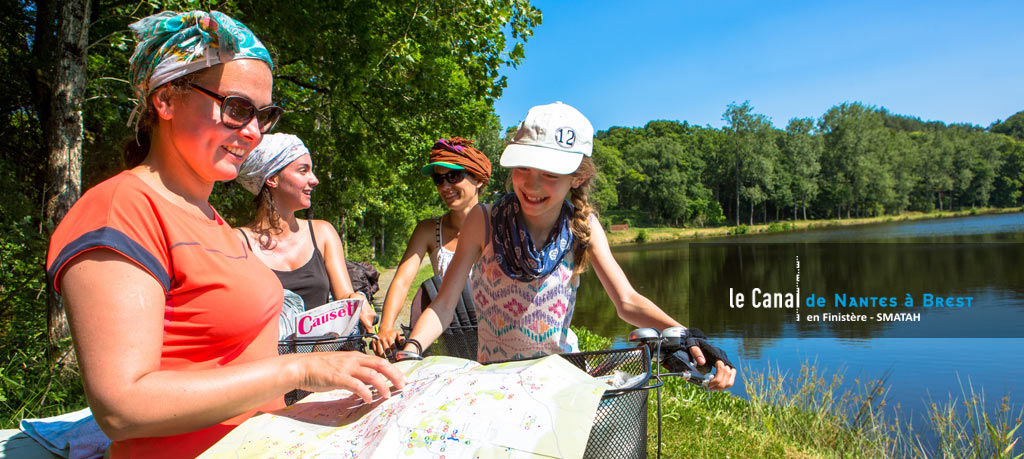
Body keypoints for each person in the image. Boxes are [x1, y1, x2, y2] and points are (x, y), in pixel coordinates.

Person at [44, 11, 403, 458]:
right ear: (167, 100)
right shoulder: (122, 210)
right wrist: (298, 371)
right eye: (236, 108)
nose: (252, 133)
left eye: (263, 115)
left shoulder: (209, 219)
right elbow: (122, 406)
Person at [400, 102, 736, 390]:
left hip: (561, 378)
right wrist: (412, 348)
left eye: (550, 174)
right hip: (497, 381)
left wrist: (689, 336)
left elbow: (627, 301)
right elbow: (444, 305)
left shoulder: (583, 226)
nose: (532, 185)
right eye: (524, 168)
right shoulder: (482, 221)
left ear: (576, 177)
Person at [235, 133, 376, 337]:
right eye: (303, 171)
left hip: (326, 361)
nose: (315, 180)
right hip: (272, 365)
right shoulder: (238, 242)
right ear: (272, 179)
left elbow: (344, 295)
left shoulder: (322, 233)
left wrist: (357, 298)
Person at [372, 137, 491, 356]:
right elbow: (401, 281)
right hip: (453, 339)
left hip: (496, 336)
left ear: (478, 179)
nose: (445, 186)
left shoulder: (499, 224)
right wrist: (386, 327)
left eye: (454, 176)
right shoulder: (429, 230)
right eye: (439, 179)